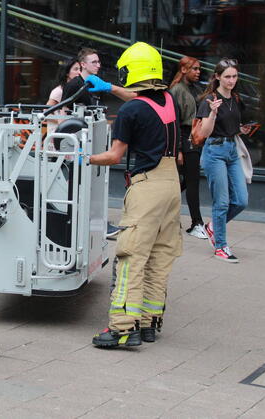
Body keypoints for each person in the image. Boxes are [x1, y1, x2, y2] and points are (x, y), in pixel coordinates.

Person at [88, 42, 182, 348]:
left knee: (131, 256)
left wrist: (81, 157)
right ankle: (148, 323)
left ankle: (122, 328)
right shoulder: (168, 99)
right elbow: (141, 101)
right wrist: (110, 88)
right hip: (171, 186)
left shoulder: (131, 111)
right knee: (159, 256)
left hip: (148, 186)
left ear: (132, 70)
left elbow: (115, 156)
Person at [63, 48, 136, 239]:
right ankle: (82, 223)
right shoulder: (76, 85)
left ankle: (96, 222)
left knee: (94, 184)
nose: (98, 65)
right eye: (94, 62)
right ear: (83, 64)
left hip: (92, 140)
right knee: (81, 184)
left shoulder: (93, 85)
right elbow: (65, 113)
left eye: (98, 61)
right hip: (78, 142)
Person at [196, 59, 252, 263]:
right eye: (227, 76)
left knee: (241, 200)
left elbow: (232, 126)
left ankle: (212, 227)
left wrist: (241, 129)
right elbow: (204, 132)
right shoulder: (210, 99)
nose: (231, 80)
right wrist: (212, 112)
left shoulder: (235, 98)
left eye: (234, 76)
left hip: (232, 149)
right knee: (221, 202)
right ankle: (220, 246)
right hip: (214, 151)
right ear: (217, 77)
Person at [169, 56, 207, 239]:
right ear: (184, 70)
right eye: (194, 68)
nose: (198, 72)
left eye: (199, 69)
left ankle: (164, 210)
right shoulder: (177, 90)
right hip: (185, 137)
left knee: (188, 181)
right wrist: (178, 149)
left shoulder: (194, 88)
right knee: (192, 182)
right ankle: (196, 222)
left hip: (195, 137)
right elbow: (174, 121)